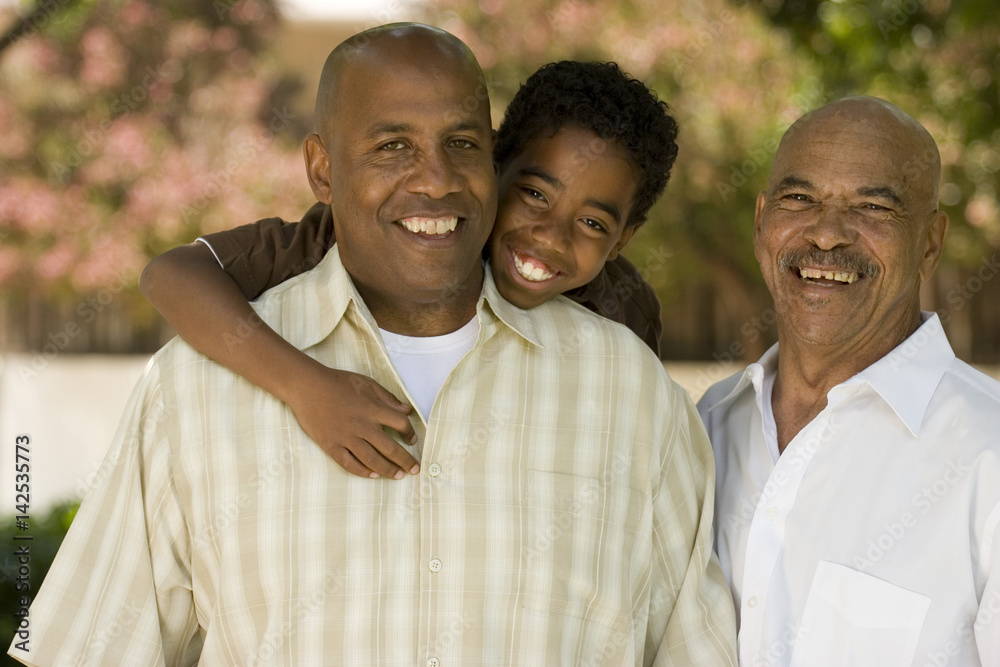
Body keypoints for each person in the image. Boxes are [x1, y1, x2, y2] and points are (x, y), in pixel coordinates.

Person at [11, 24, 736, 665]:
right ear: (322, 169)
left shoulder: (631, 392)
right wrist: (301, 383)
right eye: (393, 146)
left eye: (461, 144)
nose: (436, 180)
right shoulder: (197, 385)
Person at [137, 59, 674, 481]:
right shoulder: (342, 238)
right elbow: (170, 275)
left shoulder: (624, 313)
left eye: (592, 223)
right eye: (534, 194)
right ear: (491, 167)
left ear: (623, 239)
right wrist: (304, 386)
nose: (551, 237)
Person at [698, 96, 1000, 666]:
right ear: (761, 222)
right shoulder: (705, 427)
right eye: (799, 199)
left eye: (873, 207)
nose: (827, 234)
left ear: (930, 244)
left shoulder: (990, 456)